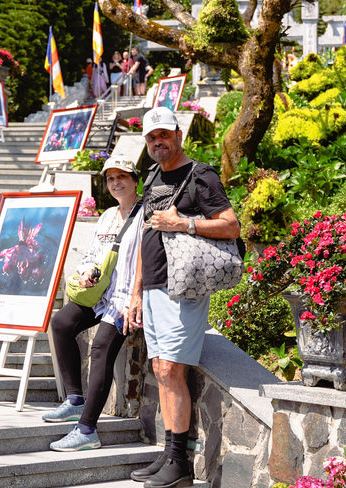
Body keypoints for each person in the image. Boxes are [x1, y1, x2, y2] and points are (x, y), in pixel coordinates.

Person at [127, 107, 240, 487]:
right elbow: (146, 235)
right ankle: (169, 456)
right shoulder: (154, 175)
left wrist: (184, 223)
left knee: (172, 370)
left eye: (164, 134)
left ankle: (181, 466)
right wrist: (136, 290)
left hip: (184, 288)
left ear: (178, 134)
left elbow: (231, 225)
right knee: (161, 370)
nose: (158, 142)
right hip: (155, 285)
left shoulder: (201, 175)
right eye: (151, 137)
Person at [44, 155, 144, 452]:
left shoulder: (145, 217)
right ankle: (75, 399)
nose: (116, 183)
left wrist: (133, 301)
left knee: (101, 348)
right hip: (100, 295)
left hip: (126, 300)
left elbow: (147, 263)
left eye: (122, 177)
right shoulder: (107, 216)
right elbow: (92, 255)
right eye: (111, 179)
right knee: (60, 323)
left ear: (135, 180)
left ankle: (87, 429)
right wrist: (86, 271)